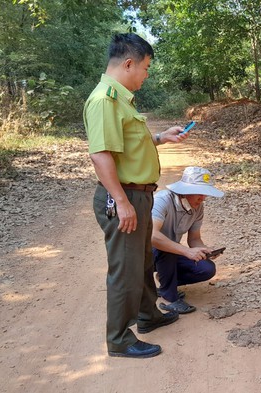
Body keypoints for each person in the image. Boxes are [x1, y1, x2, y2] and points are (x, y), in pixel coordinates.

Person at [84, 33, 189, 359]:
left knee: (142, 262)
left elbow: (127, 146)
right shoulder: (104, 100)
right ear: (128, 63)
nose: (146, 74)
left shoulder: (121, 99)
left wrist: (159, 137)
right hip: (125, 196)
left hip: (139, 195)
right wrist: (123, 202)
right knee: (125, 270)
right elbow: (100, 155)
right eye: (145, 67)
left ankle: (148, 315)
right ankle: (118, 339)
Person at [151, 166, 224, 314]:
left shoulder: (198, 207)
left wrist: (204, 250)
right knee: (168, 248)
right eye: (200, 193)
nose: (203, 198)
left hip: (168, 254)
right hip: (145, 254)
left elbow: (194, 239)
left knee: (206, 268)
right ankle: (169, 298)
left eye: (205, 194)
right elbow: (152, 236)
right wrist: (186, 251)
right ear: (186, 189)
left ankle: (165, 284)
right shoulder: (163, 200)